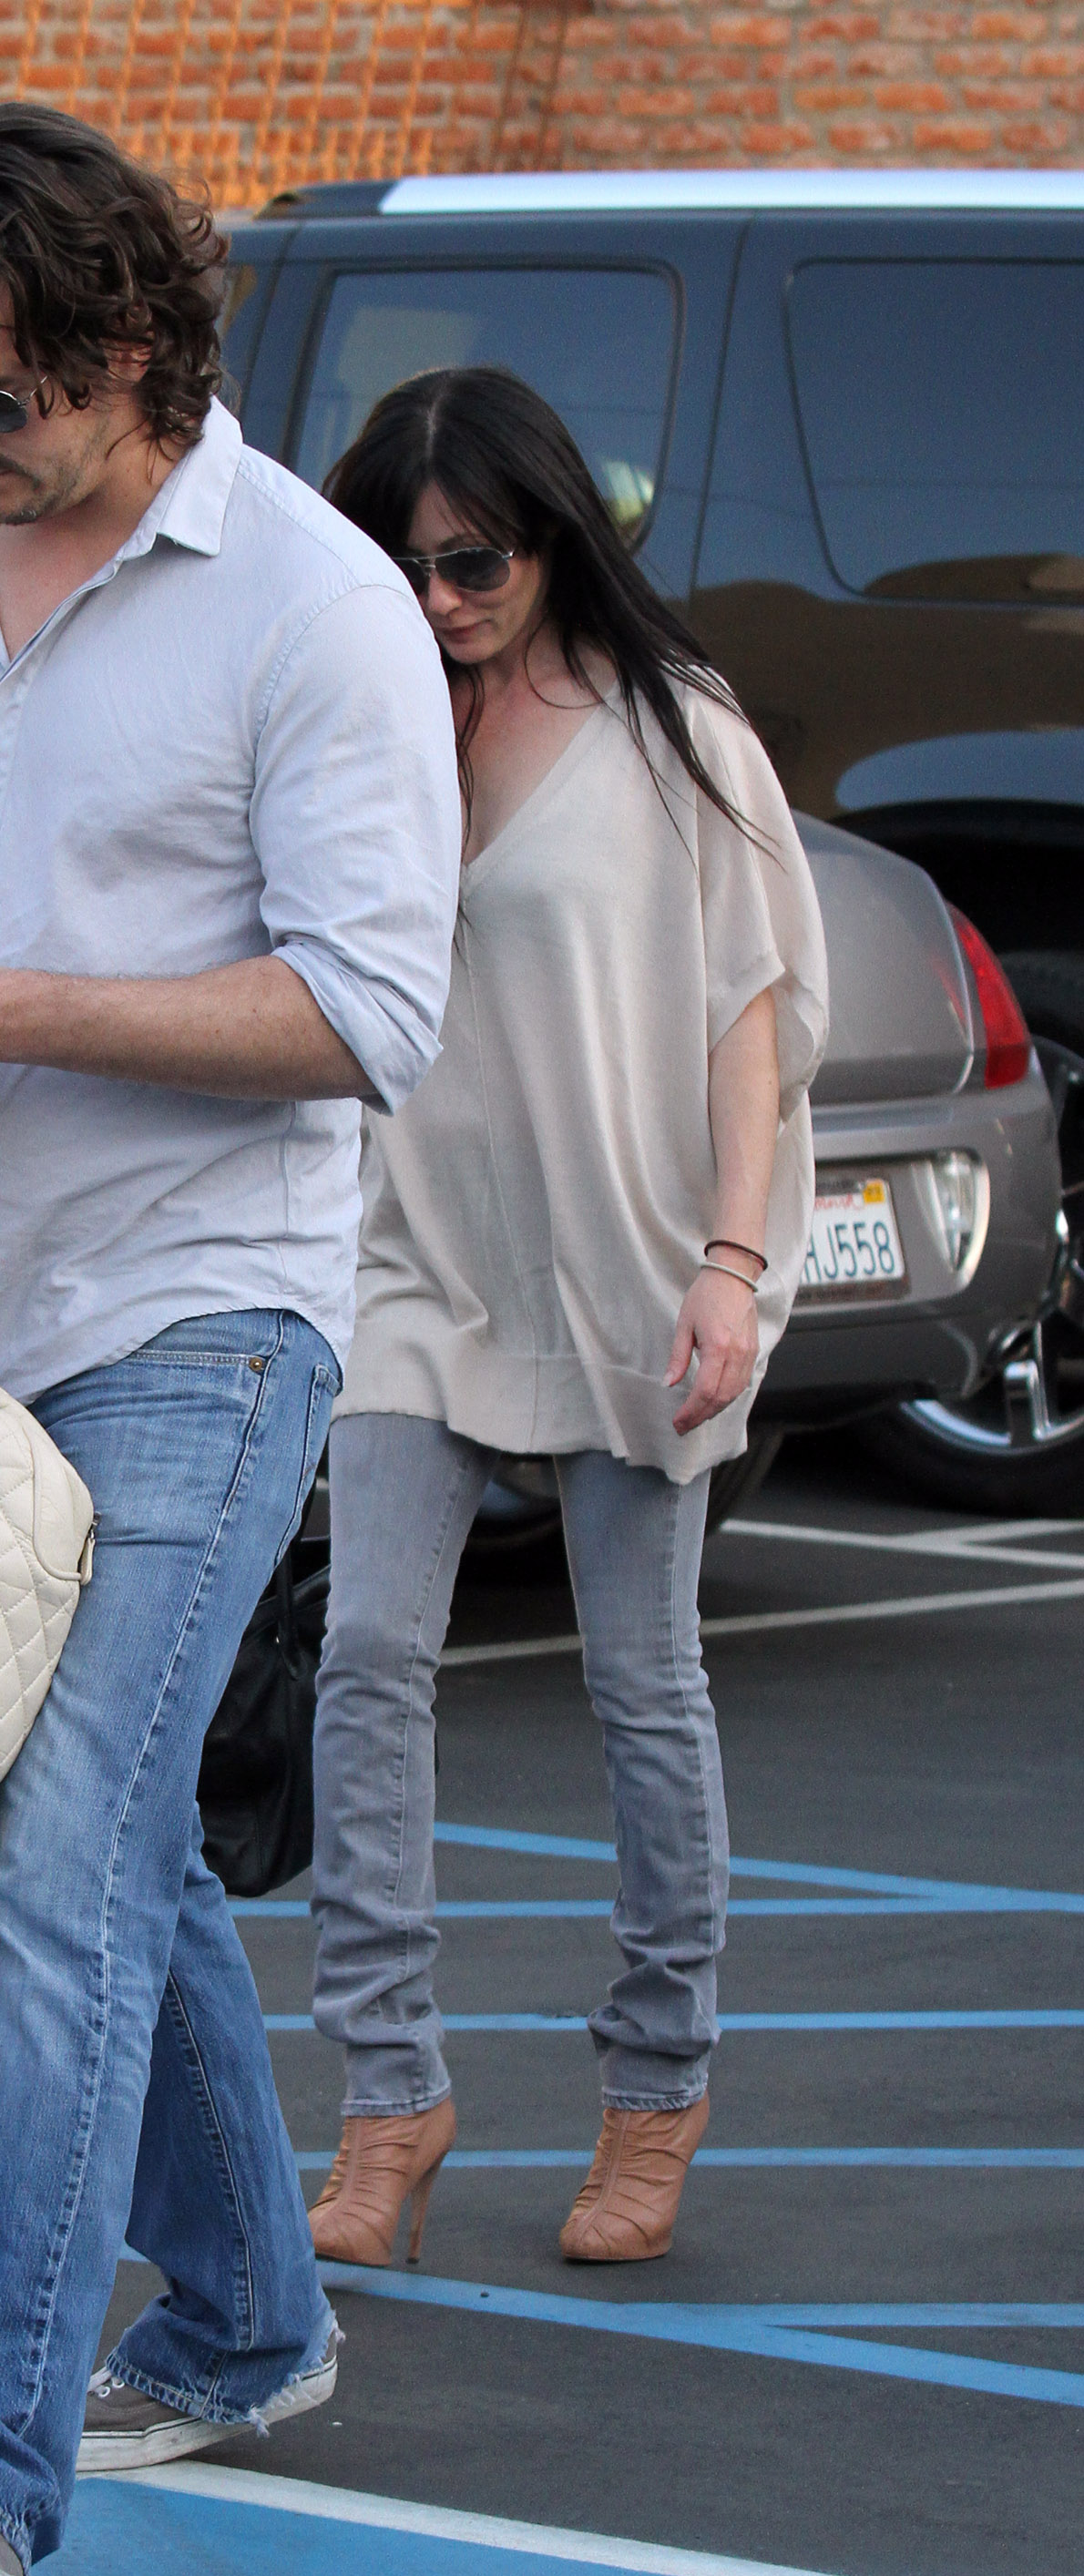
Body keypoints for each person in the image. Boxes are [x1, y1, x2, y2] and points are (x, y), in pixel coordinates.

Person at [0, 106, 459, 2576]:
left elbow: (369, 1013)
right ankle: (248, 2316)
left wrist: (1, 1002)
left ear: (125, 354)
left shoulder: (318, 608)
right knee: (101, 1850)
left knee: (56, 1871)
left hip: (196, 1312)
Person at [307, 365, 828, 2275]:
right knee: (362, 1658)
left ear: (549, 541)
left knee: (638, 1689)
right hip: (411, 1257)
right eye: (402, 562)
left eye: (474, 561)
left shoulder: (669, 730)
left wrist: (729, 1264)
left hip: (630, 1263)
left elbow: (746, 1017)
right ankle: (384, 2098)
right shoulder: (365, 724)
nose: (440, 597)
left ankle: (652, 2085)